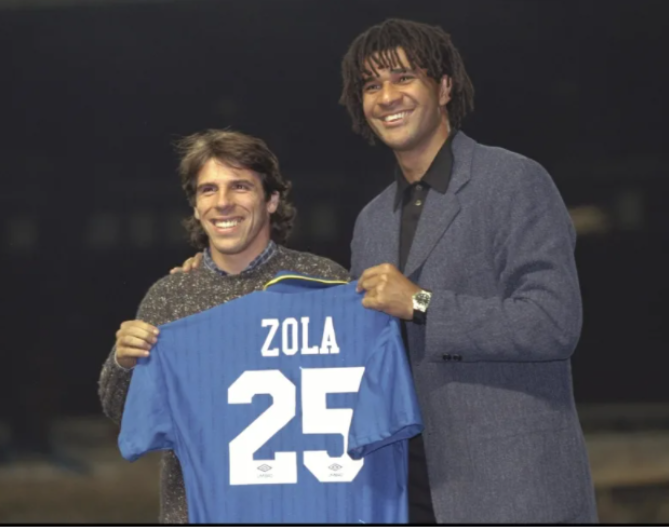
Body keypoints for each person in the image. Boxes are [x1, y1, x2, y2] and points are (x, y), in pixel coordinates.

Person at [173, 18, 597, 524]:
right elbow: (343, 341)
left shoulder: (514, 180)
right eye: (371, 85)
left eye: (403, 78)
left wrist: (420, 303)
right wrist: (217, 277)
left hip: (511, 488)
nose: (387, 96)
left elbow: (552, 322)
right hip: (400, 490)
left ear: (444, 88)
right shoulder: (373, 220)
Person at [97, 129, 350, 524]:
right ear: (196, 207)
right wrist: (123, 361)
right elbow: (120, 411)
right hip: (198, 513)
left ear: (272, 199)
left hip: (305, 510)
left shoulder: (324, 282)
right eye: (208, 190)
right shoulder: (170, 297)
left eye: (240, 186)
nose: (223, 202)